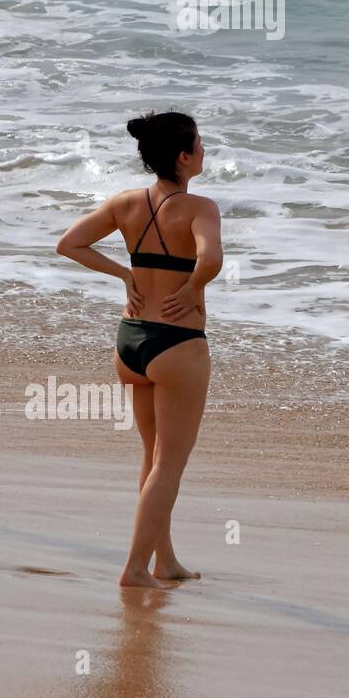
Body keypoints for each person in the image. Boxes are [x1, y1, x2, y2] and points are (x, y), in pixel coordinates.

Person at [56, 111, 222, 588]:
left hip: (130, 342)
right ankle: (132, 568)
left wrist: (124, 274)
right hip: (177, 344)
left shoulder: (126, 203)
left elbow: (70, 244)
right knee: (169, 464)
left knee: (152, 459)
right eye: (200, 143)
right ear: (184, 157)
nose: (204, 151)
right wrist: (193, 289)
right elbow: (211, 258)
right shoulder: (199, 208)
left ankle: (162, 560)